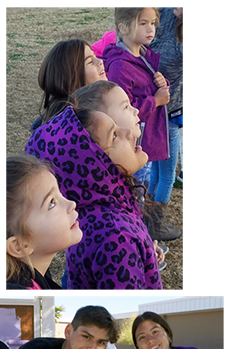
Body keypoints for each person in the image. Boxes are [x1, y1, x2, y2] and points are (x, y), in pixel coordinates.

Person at [26, 104, 163, 289]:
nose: (129, 132)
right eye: (114, 135)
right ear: (95, 168)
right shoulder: (117, 238)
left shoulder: (100, 211)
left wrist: (144, 255)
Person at [103, 8, 180, 241]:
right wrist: (155, 100)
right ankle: (142, 236)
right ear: (123, 27)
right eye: (143, 23)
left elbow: (145, 85)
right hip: (138, 141)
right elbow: (121, 109)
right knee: (136, 192)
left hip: (149, 134)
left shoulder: (144, 55)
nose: (151, 29)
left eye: (154, 23)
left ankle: (147, 232)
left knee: (147, 186)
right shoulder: (120, 65)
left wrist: (161, 81)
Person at [6, 154, 82, 289]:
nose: (72, 204)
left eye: (60, 194)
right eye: (51, 203)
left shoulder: (37, 273)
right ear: (19, 245)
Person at [148, 8, 183, 228]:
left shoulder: (162, 17)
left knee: (156, 170)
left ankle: (146, 213)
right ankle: (156, 223)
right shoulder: (174, 23)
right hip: (168, 113)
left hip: (155, 112)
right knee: (168, 175)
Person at [32, 38, 107, 130]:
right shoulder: (77, 123)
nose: (100, 61)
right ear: (71, 77)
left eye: (95, 56)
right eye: (90, 62)